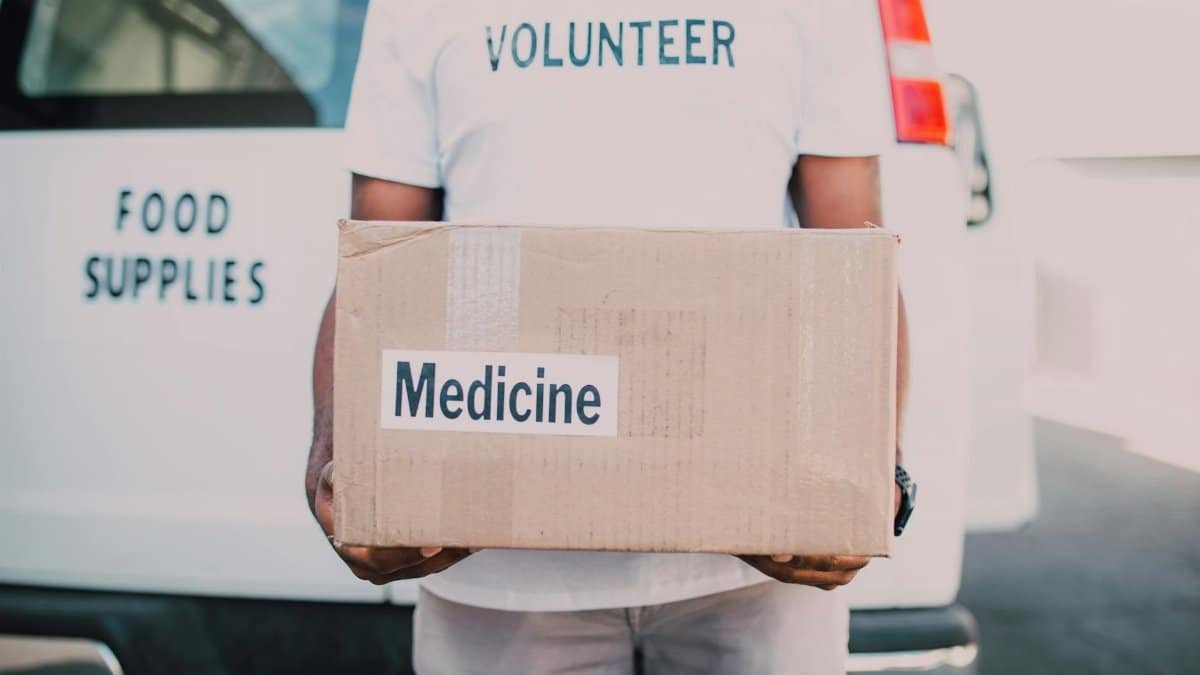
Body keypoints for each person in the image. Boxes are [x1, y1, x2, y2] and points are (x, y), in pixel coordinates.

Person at [306, 1, 912, 672]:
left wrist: (879, 473)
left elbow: (855, 256)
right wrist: (339, 464)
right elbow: (377, 262)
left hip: (757, 566)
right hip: (495, 566)